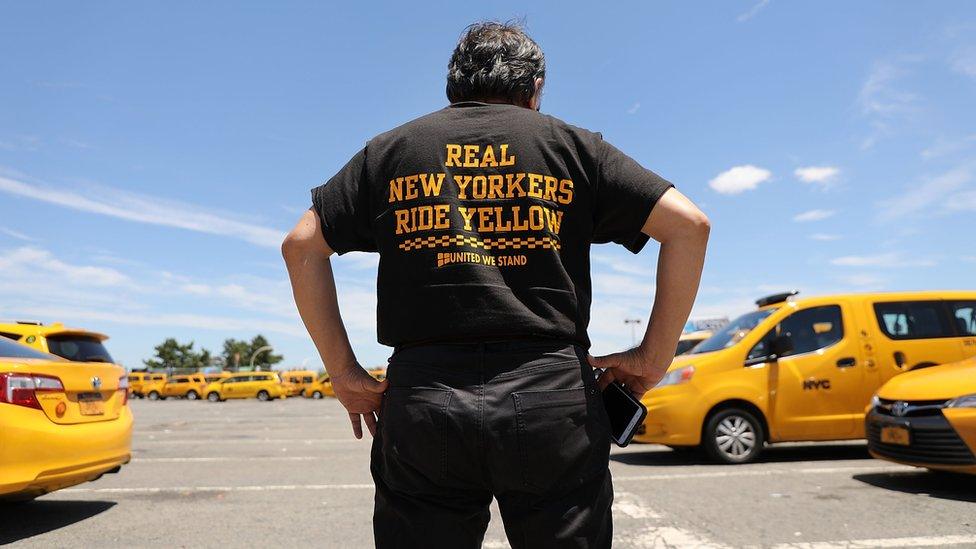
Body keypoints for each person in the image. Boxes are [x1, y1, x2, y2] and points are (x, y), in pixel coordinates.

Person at [282, 21, 709, 549]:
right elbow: (689, 226)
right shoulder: (573, 148)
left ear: (453, 85)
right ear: (534, 90)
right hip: (551, 397)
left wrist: (343, 373)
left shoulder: (392, 150)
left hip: (424, 399)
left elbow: (301, 245)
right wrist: (652, 358)